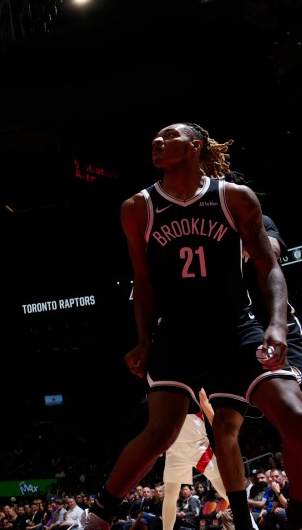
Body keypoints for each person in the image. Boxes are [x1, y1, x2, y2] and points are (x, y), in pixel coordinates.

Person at [82, 123, 302, 530]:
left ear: (195, 146)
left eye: (169, 136)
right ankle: (97, 518)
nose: (156, 141)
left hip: (234, 326)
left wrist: (277, 325)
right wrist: (143, 340)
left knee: (293, 414)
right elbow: (143, 281)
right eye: (154, 137)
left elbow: (268, 265)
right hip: (177, 332)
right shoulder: (137, 207)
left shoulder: (234, 198)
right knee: (161, 431)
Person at [162, 389, 227, 527]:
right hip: (174, 448)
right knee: (170, 497)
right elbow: (157, 418)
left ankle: (248, 522)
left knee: (224, 488)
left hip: (198, 446)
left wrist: (224, 434)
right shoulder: (161, 386)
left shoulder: (197, 387)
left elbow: (209, 412)